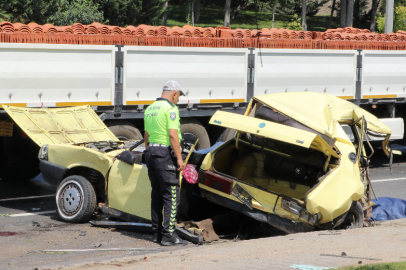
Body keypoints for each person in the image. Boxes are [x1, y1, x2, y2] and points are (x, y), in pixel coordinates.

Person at [144, 80, 188, 246]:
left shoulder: (150, 109)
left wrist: (150, 152)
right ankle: (168, 235)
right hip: (164, 153)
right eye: (178, 97)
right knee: (171, 194)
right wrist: (179, 158)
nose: (178, 100)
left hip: (151, 153)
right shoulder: (170, 109)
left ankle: (156, 233)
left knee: (156, 193)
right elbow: (172, 135)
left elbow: (146, 136)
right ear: (174, 94)